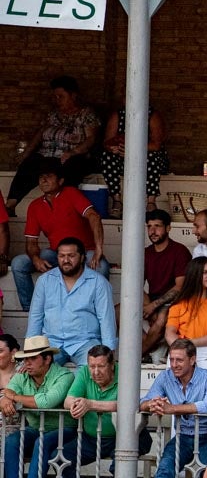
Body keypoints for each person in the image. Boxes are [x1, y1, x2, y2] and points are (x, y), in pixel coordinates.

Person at [138, 339, 207, 478]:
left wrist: (173, 408)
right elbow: (143, 401)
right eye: (171, 360)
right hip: (183, 435)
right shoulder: (166, 377)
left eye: (179, 360)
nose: (174, 365)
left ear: (193, 360)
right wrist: (152, 405)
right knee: (166, 466)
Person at [59, 345, 152, 478]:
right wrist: (77, 404)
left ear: (111, 365)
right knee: (61, 457)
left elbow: (128, 404)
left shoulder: (125, 372)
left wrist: (91, 404)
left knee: (120, 464)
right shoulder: (84, 373)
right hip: (91, 438)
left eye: (101, 366)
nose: (95, 372)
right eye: (92, 366)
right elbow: (68, 401)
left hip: (124, 437)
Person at [14, 159, 109, 312]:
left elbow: (94, 216)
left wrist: (99, 249)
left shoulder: (71, 193)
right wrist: (35, 258)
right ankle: (32, 311)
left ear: (61, 180)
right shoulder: (35, 206)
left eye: (49, 176)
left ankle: (95, 311)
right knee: (19, 264)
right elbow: (31, 242)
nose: (44, 180)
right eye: (41, 177)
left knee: (101, 266)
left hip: (84, 252)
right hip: (56, 253)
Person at [6, 76, 100, 212]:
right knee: (28, 165)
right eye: (55, 97)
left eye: (61, 96)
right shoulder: (53, 115)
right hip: (47, 154)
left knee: (71, 168)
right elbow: (40, 134)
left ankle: (64, 207)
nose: (57, 100)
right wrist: (26, 153)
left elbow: (91, 138)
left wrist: (73, 152)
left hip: (71, 155)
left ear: (73, 95)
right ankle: (10, 205)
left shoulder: (86, 114)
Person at [1, 337, 75, 478]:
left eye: (33, 358)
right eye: (26, 358)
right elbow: (8, 392)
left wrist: (13, 396)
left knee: (41, 442)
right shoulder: (23, 376)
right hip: (36, 428)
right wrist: (5, 399)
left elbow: (46, 402)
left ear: (47, 359)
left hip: (65, 429)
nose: (27, 363)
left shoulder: (64, 375)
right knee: (12, 440)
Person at [27, 237, 115, 367]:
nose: (66, 260)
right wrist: (30, 350)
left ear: (82, 257)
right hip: (52, 342)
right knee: (35, 368)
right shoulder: (45, 281)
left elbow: (106, 318)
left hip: (86, 342)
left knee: (92, 369)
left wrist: (108, 351)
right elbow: (35, 316)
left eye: (71, 256)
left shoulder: (98, 282)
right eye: (61, 256)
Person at [166, 257, 207, 376]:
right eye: (205, 272)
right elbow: (169, 332)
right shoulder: (179, 303)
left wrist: (190, 343)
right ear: (194, 275)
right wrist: (181, 348)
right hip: (182, 350)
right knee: (174, 386)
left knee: (206, 384)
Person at [98, 104, 169, 212]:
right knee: (107, 157)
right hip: (124, 158)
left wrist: (132, 150)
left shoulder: (152, 115)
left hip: (147, 157)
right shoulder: (118, 115)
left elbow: (156, 145)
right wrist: (114, 148)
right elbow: (107, 142)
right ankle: (117, 201)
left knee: (150, 157)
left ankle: (151, 201)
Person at [141, 209, 191, 356]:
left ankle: (135, 357)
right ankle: (151, 348)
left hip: (175, 301)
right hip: (152, 299)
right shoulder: (146, 252)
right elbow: (136, 284)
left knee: (162, 319)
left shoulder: (180, 251)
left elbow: (180, 287)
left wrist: (153, 307)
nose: (152, 231)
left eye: (157, 226)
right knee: (119, 312)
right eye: (149, 226)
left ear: (168, 228)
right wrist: (147, 305)